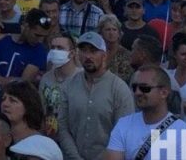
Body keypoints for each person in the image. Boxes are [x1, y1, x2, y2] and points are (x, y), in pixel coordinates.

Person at [57, 32, 134, 160]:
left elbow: (123, 134)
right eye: (83, 51)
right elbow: (63, 127)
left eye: (93, 51)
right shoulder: (69, 85)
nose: (88, 56)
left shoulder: (119, 89)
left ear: (104, 55)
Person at [104, 64, 186, 160]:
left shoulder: (184, 133)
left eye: (145, 88)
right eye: (134, 88)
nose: (137, 92)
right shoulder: (123, 124)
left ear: (163, 93)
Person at [0, 9, 49, 108]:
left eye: (44, 36)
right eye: (37, 35)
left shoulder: (40, 50)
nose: (40, 40)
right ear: (26, 26)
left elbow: (23, 82)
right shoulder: (2, 35)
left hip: (10, 106)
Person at [38, 36, 74, 140]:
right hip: (49, 136)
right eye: (53, 47)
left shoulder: (81, 77)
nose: (55, 51)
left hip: (72, 136)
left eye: (60, 48)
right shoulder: (46, 78)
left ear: (71, 53)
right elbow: (41, 108)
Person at [99, 14, 132, 83]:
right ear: (101, 33)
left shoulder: (127, 55)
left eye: (114, 30)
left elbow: (125, 78)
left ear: (119, 33)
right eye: (108, 30)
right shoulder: (96, 52)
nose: (111, 33)